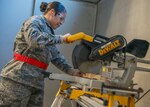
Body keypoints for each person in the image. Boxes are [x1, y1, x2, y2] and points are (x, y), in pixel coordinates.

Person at [0, 1, 83, 107]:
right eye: (61, 18)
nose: (62, 23)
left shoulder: (49, 32)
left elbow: (55, 56)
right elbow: (34, 40)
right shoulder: (35, 21)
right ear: (52, 12)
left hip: (36, 82)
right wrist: (61, 39)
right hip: (18, 79)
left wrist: (72, 71)